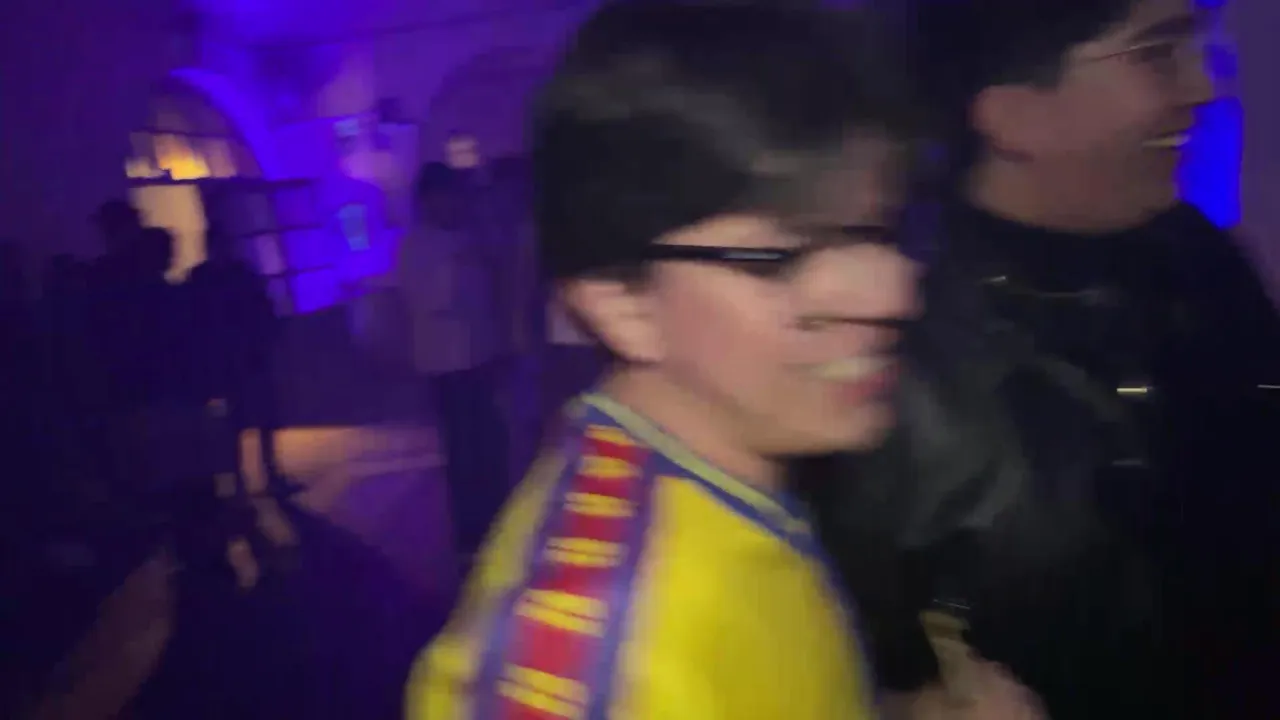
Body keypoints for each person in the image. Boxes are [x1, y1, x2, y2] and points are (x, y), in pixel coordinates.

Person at [405, 3, 1043, 718]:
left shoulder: (733, 464)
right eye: (778, 257)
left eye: (879, 230)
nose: (891, 291)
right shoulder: (590, 667)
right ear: (625, 306)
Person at [803, 0, 1280, 717]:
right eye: (1157, 52)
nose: (1203, 87)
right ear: (1011, 115)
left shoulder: (1201, 262)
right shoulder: (883, 354)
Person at [399, 161, 509, 567]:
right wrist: (458, 263)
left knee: (489, 444)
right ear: (429, 201)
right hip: (447, 365)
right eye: (447, 196)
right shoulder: (417, 247)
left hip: (480, 357)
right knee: (464, 452)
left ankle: (497, 523)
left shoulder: (465, 238)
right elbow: (432, 303)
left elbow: (487, 298)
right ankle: (471, 535)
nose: (455, 204)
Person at [187, 223, 293, 497]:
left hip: (243, 357)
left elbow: (262, 309)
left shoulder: (217, 276)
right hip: (233, 360)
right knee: (240, 422)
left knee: (256, 419)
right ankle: (252, 478)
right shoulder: (224, 276)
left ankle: (258, 477)